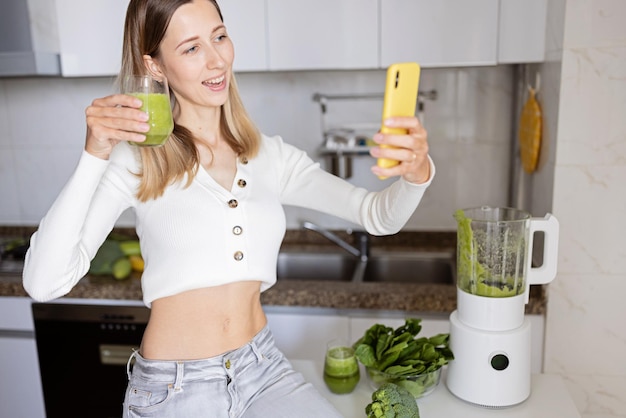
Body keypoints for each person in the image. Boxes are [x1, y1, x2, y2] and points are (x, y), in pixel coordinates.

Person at [22, 0, 434, 416]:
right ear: (156, 67)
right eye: (191, 48)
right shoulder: (136, 159)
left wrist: (417, 172)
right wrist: (94, 153)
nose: (217, 59)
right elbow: (44, 283)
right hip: (176, 389)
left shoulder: (269, 156)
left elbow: (378, 216)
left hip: (263, 369)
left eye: (219, 36)